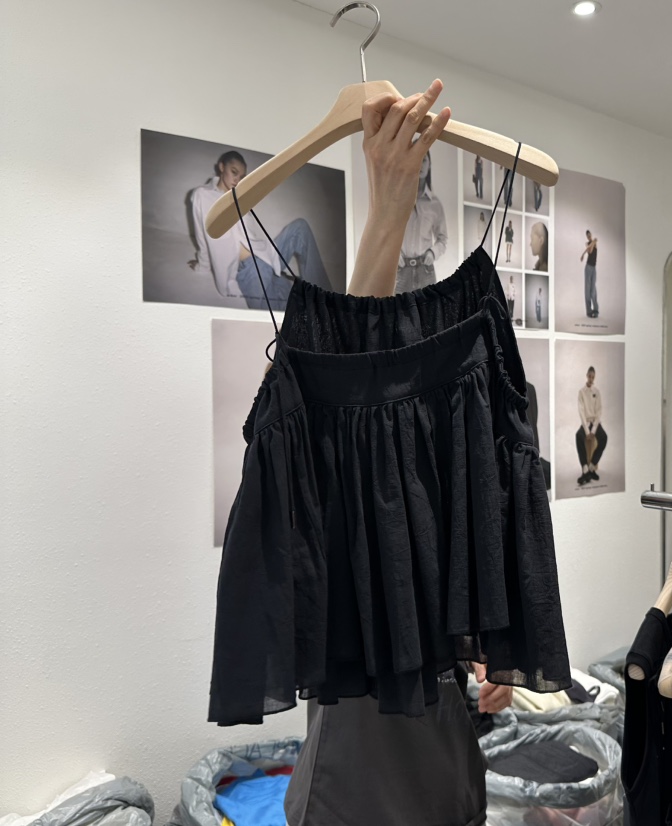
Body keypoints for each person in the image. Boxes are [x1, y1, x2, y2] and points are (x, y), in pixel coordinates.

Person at [283, 79, 514, 826]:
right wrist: (388, 206)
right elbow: (347, 395)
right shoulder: (345, 449)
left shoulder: (449, 440)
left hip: (449, 766)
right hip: (357, 777)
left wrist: (485, 643)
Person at [188, 150, 332, 310]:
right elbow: (202, 236)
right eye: (234, 172)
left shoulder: (241, 200)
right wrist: (202, 265)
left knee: (300, 227)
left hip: (266, 255)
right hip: (249, 270)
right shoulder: (202, 195)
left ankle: (325, 296)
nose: (237, 180)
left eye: (241, 177)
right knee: (284, 312)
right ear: (222, 167)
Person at [395, 149, 448, 292]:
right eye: (416, 158)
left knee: (429, 308)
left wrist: (433, 253)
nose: (420, 164)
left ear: (429, 165)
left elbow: (442, 239)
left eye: (424, 160)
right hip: (401, 271)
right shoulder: (397, 199)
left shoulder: (435, 204)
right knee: (398, 307)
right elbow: (386, 232)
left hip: (426, 272)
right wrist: (394, 255)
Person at [576, 366, 608, 486]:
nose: (591, 379)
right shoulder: (581, 392)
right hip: (586, 423)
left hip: (595, 423)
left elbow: (599, 411)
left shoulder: (596, 392)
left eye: (593, 377)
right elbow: (581, 412)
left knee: (604, 437)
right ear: (587, 376)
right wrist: (586, 431)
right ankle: (585, 469)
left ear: (594, 377)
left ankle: (592, 466)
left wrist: (593, 430)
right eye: (589, 376)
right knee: (578, 436)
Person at [580, 229, 599, 318]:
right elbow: (590, 251)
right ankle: (589, 311)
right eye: (588, 236)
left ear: (591, 234)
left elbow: (592, 248)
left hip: (594, 268)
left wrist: (583, 254)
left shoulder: (594, 243)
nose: (589, 236)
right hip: (588, 268)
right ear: (587, 237)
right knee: (587, 290)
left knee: (593, 290)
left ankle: (596, 309)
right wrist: (583, 253)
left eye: (590, 235)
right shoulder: (587, 244)